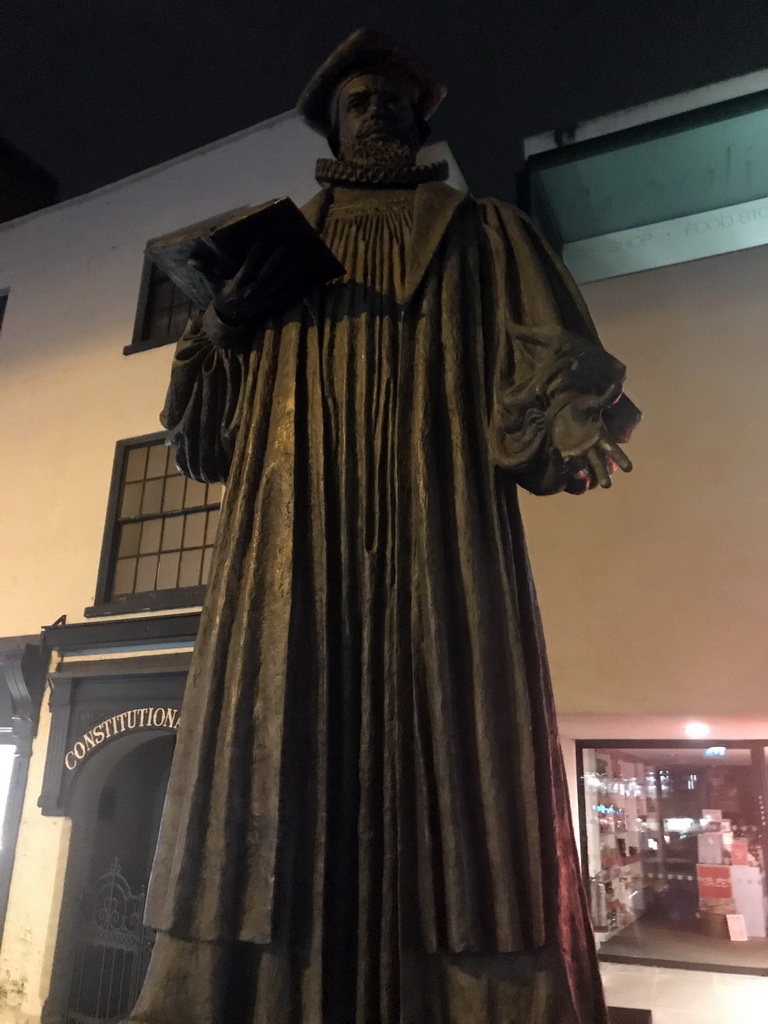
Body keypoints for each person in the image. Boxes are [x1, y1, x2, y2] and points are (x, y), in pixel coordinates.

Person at [128, 29, 636, 1024]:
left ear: (422, 122)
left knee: (458, 730)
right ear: (334, 123)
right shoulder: (268, 256)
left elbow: (548, 360)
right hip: (293, 529)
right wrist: (222, 325)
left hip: (433, 522)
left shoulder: (482, 233)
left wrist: (575, 426)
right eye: (358, 103)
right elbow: (199, 435)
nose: (379, 115)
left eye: (395, 102)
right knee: (276, 743)